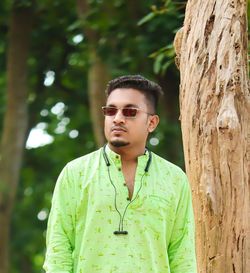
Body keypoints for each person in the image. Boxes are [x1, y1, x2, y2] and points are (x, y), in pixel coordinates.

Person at [43, 75, 197, 273]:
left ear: (152, 122)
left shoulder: (174, 179)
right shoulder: (75, 174)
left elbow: (182, 255)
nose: (117, 118)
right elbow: (58, 250)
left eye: (130, 111)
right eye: (110, 110)